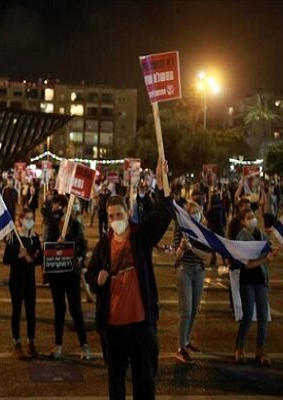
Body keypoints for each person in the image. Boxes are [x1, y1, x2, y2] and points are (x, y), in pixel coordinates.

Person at [85, 158, 172, 400]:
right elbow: (90, 274)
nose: (115, 219)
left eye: (119, 214)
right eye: (111, 216)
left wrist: (161, 180)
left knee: (144, 380)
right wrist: (96, 279)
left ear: (127, 213)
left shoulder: (140, 237)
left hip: (141, 325)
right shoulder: (103, 246)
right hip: (113, 329)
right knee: (116, 382)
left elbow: (165, 214)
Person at [44, 194, 90, 360]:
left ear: (65, 208)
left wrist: (79, 257)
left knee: (76, 310)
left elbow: (83, 246)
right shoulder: (51, 226)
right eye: (53, 206)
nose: (55, 209)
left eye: (58, 206)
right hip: (57, 275)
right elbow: (47, 247)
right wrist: (57, 242)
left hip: (72, 274)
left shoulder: (76, 226)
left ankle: (84, 345)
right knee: (59, 310)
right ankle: (58, 345)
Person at [234, 209, 276, 366]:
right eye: (249, 217)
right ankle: (239, 348)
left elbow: (269, 250)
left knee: (263, 318)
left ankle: (260, 350)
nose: (253, 219)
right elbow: (247, 264)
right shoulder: (242, 237)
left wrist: (272, 253)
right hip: (248, 282)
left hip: (261, 282)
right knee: (247, 317)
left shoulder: (262, 235)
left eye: (253, 216)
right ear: (243, 222)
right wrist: (265, 259)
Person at [3, 208, 43, 359]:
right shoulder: (13, 237)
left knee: (31, 311)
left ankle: (31, 341)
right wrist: (19, 255)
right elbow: (6, 259)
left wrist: (33, 258)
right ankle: (17, 343)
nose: (29, 221)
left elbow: (39, 259)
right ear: (20, 220)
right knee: (17, 311)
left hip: (30, 280)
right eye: (26, 218)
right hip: (16, 280)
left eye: (31, 218)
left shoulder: (34, 237)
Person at [174, 202, 210, 364]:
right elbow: (177, 255)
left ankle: (187, 341)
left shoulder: (204, 232)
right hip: (185, 271)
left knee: (194, 309)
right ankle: (180, 347)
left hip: (199, 271)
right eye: (191, 212)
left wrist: (192, 248)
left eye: (197, 212)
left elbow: (207, 256)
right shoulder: (181, 229)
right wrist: (182, 246)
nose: (194, 214)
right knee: (186, 310)